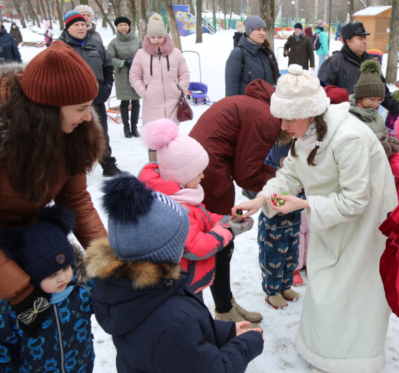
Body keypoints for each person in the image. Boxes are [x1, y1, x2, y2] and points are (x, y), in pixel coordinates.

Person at [233, 64, 398, 373]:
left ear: (309, 111)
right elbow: (290, 173)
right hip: (332, 215)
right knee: (326, 281)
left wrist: (306, 205)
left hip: (364, 224)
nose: (282, 125)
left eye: (288, 117)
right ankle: (323, 348)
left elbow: (356, 199)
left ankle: (353, 358)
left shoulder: (348, 137)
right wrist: (261, 199)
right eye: (280, 116)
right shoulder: (308, 129)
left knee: (352, 287)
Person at [86, 175, 265, 373]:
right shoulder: (172, 317)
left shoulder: (128, 291)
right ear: (168, 251)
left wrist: (225, 331)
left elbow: (175, 341)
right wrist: (246, 346)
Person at [0, 41, 106, 332]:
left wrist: (106, 259)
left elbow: (77, 201)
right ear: (48, 111)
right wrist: (20, 290)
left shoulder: (71, 134)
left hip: (29, 240)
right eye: (81, 108)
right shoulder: (6, 139)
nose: (88, 116)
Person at [139, 119, 257, 324]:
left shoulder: (181, 194)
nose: (203, 175)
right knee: (193, 320)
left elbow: (201, 217)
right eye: (198, 172)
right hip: (183, 284)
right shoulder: (176, 208)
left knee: (197, 316)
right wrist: (229, 229)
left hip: (191, 280)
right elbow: (196, 247)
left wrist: (224, 219)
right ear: (181, 175)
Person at [189, 79, 282, 324]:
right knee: (221, 241)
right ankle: (223, 309)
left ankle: (225, 301)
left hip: (202, 171)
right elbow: (247, 174)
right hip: (210, 177)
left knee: (220, 241)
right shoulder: (266, 118)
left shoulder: (254, 105)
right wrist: (283, 180)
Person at [0, 206, 95, 372]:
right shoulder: (13, 310)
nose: (62, 278)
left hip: (81, 366)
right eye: (51, 275)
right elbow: (3, 349)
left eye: (66, 268)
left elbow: (113, 301)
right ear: (32, 276)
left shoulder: (83, 290)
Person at [60, 11, 123, 177]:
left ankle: (107, 164)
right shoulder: (59, 47)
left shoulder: (95, 44)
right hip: (71, 101)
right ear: (67, 27)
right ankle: (72, 167)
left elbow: (108, 67)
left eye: (83, 24)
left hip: (97, 97)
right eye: (76, 25)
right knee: (71, 133)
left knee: (101, 132)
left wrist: (106, 88)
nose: (81, 27)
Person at [130, 13, 190, 161]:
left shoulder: (175, 53)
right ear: (148, 37)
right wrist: (144, 92)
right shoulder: (141, 54)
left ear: (165, 36)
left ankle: (170, 164)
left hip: (172, 102)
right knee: (153, 136)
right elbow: (134, 76)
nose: (156, 40)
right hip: (152, 102)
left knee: (171, 136)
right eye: (153, 37)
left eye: (159, 37)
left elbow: (184, 73)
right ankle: (153, 166)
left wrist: (179, 90)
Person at [257, 131, 304, 308]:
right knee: (273, 258)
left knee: (291, 257)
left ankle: (285, 286)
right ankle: (272, 291)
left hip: (293, 223)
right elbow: (269, 197)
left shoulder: (299, 176)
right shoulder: (270, 177)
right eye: (287, 161)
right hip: (273, 226)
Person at [318, 21, 399, 116]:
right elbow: (322, 93)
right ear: (348, 42)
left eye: (365, 38)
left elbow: (383, 93)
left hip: (368, 120)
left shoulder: (372, 64)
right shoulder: (334, 62)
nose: (364, 41)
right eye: (360, 38)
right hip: (342, 120)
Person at [350, 60, 399, 158]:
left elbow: (385, 136)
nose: (376, 103)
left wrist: (391, 143)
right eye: (372, 99)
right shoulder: (350, 117)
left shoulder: (379, 118)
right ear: (360, 97)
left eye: (379, 99)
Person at [225, 15, 280, 97]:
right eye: (258, 29)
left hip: (269, 106)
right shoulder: (238, 54)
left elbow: (277, 79)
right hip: (247, 107)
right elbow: (232, 88)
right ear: (248, 31)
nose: (262, 33)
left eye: (264, 30)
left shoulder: (269, 53)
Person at [108, 16, 143, 138]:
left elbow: (145, 54)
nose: (123, 27)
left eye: (125, 24)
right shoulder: (113, 43)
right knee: (125, 101)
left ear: (129, 26)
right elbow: (109, 59)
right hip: (122, 73)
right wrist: (123, 62)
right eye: (120, 25)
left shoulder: (138, 40)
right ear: (117, 27)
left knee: (136, 101)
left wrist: (137, 62)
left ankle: (134, 127)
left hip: (137, 73)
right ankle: (126, 128)